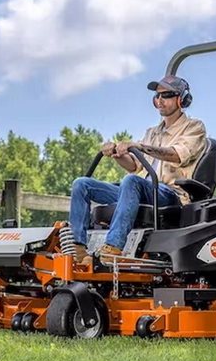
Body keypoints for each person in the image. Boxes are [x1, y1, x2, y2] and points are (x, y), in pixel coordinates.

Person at [69, 75, 207, 264]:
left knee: (131, 181)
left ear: (181, 99)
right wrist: (118, 154)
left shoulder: (194, 128)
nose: (160, 100)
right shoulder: (152, 132)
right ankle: (78, 249)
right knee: (82, 184)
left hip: (170, 194)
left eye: (166, 95)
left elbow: (176, 154)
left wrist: (140, 147)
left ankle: (113, 247)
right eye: (157, 96)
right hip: (141, 189)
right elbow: (135, 166)